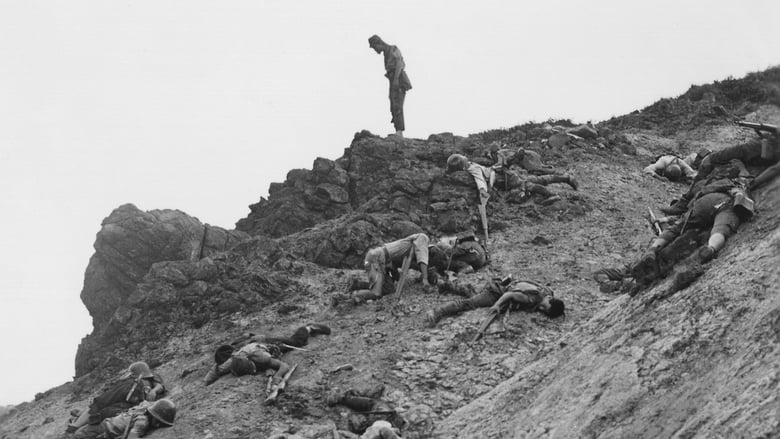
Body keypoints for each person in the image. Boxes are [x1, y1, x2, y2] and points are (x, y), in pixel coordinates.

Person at [204, 323, 331, 393]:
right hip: (252, 344)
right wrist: (207, 382)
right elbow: (215, 371)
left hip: (264, 342)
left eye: (252, 369)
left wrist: (277, 376)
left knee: (295, 343)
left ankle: (308, 328)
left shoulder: (261, 357)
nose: (253, 372)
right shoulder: (230, 363)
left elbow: (282, 365)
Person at [333, 233, 433, 305]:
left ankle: (358, 284)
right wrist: (425, 279)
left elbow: (394, 265)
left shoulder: (407, 246)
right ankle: (345, 297)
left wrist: (396, 276)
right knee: (376, 293)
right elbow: (422, 258)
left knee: (389, 289)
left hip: (378, 258)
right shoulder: (422, 238)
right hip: (377, 258)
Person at [425, 276, 565, 327]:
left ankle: (446, 285)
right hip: (495, 293)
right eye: (545, 308)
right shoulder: (535, 298)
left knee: (473, 294)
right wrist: (496, 305)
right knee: (469, 304)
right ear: (550, 300)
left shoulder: (546, 291)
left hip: (500, 284)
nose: (541, 309)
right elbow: (510, 294)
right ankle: (437, 311)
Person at [66, 361, 166, 433]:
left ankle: (79, 421)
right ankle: (82, 415)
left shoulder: (136, 383)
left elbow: (159, 385)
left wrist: (153, 391)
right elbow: (159, 386)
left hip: (128, 408)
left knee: (101, 407)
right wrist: (153, 391)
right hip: (129, 405)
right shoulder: (145, 382)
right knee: (102, 405)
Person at [446, 153, 578, 205]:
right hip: (507, 175)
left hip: (507, 179)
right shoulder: (473, 164)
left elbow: (480, 181)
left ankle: (552, 194)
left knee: (528, 185)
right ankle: (566, 178)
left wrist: (484, 191)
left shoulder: (473, 169)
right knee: (537, 179)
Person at [368, 35, 412, 137]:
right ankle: (397, 130)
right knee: (393, 105)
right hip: (392, 81)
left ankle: (399, 132)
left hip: (399, 80)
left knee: (397, 105)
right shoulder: (386, 54)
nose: (375, 50)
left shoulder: (393, 49)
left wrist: (396, 79)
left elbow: (400, 64)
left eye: (375, 47)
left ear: (378, 43)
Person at [72, 398, 176, 439]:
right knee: (78, 436)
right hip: (102, 430)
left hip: (105, 426)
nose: (157, 425)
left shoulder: (142, 409)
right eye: (158, 422)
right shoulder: (142, 422)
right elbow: (132, 436)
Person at [327, 384, 404, 436]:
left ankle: (341, 398)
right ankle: (343, 399)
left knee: (372, 404)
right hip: (383, 423)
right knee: (374, 407)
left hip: (381, 420)